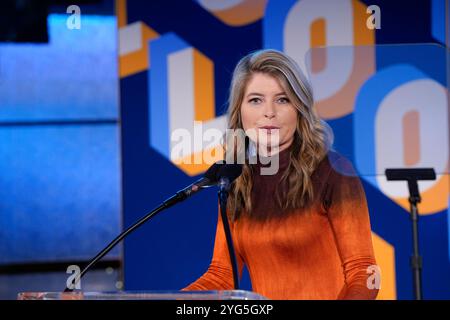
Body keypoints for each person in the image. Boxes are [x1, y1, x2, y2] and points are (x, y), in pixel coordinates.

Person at [183, 49, 379, 300]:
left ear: (299, 108)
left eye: (283, 99)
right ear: (239, 112)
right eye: (255, 100)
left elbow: (364, 271)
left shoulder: (333, 171)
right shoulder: (235, 180)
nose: (269, 112)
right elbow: (221, 276)